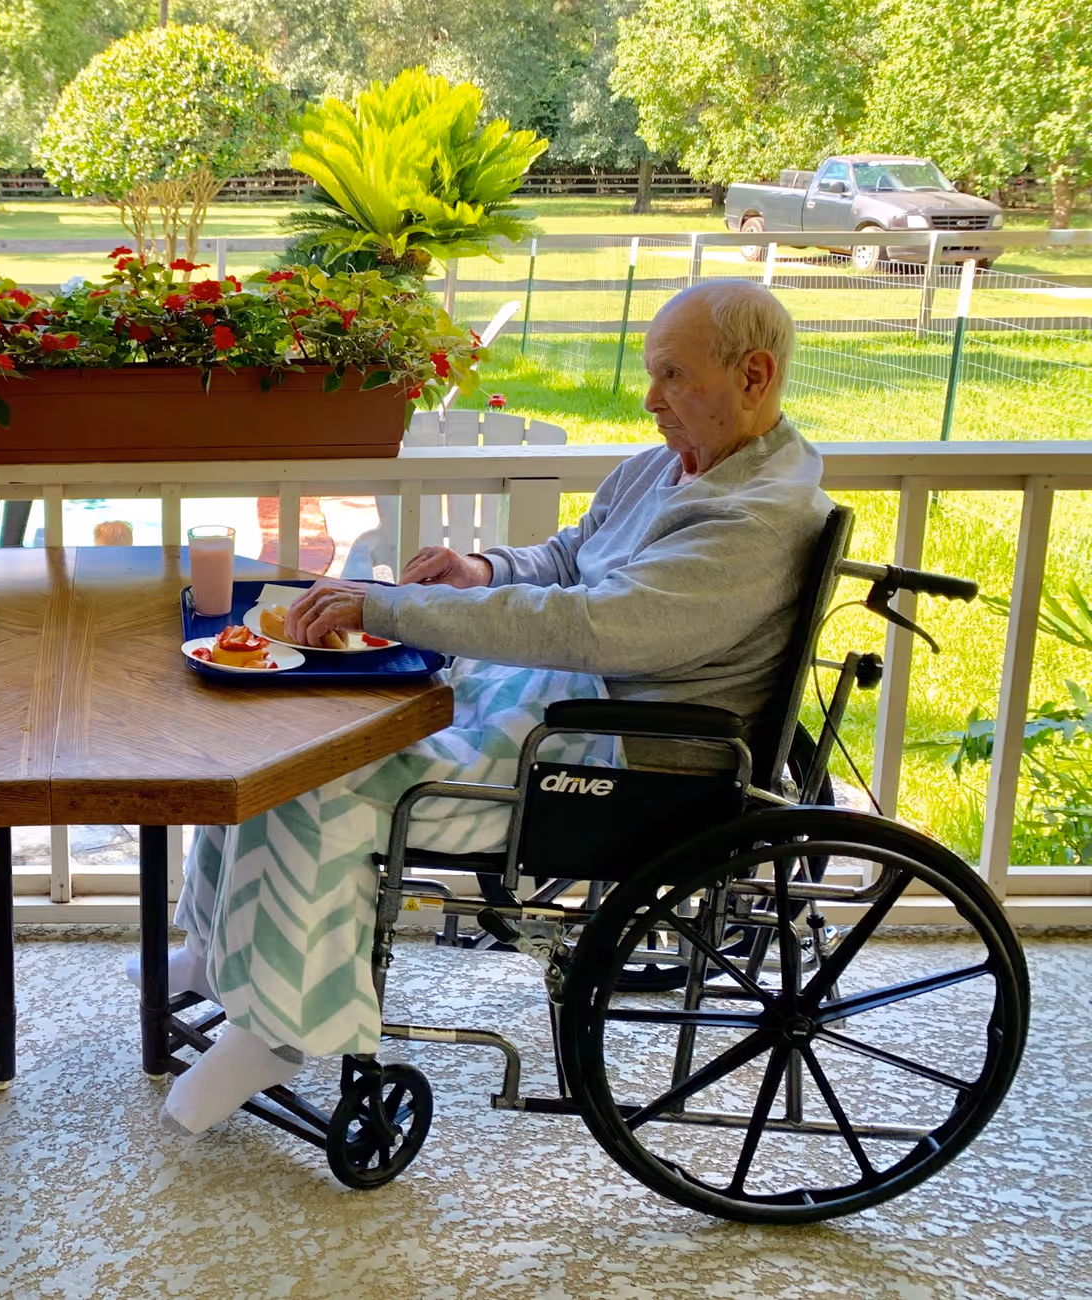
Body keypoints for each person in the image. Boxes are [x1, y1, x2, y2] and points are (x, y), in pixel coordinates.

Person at [150, 280, 833, 1136]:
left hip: (609, 753)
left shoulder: (753, 521)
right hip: (547, 704)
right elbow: (574, 553)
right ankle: (224, 955)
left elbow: (595, 627)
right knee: (284, 722)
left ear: (755, 375)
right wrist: (485, 572)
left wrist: (386, 606)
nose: (651, 398)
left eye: (672, 375)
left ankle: (281, 1030)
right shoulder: (681, 464)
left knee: (319, 774)